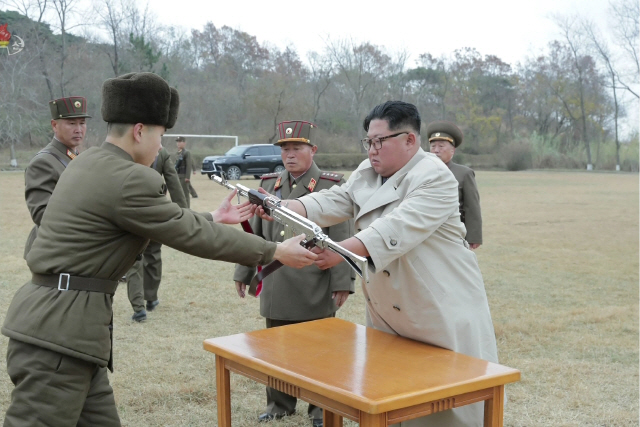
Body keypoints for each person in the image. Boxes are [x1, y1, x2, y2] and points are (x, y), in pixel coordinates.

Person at [1, 72, 317, 427]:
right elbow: (188, 235)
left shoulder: (88, 163)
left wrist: (213, 214)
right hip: (58, 339)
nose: (159, 147)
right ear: (139, 131)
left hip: (66, 335)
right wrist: (273, 250)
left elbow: (157, 221)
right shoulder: (130, 177)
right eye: (160, 136)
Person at [259, 101, 499, 427]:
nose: (372, 150)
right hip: (391, 310)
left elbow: (394, 229)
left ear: (410, 140)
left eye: (379, 141)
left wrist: (341, 251)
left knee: (442, 404)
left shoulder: (434, 177)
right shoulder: (369, 171)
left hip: (438, 308)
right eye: (368, 142)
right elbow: (337, 199)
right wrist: (288, 206)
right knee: (390, 399)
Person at [233, 120, 355, 427]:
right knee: (276, 347)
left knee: (319, 349)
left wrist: (343, 281)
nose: (289, 154)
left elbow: (341, 235)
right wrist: (243, 271)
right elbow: (255, 235)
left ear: (313, 150)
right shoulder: (269, 184)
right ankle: (278, 405)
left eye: (297, 148)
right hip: (276, 280)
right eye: (285, 148)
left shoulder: (331, 186)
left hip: (314, 280)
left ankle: (319, 409)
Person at [23, 96, 91, 257]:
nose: (78, 129)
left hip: (76, 249)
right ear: (54, 125)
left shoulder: (79, 157)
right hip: (54, 252)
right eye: (71, 123)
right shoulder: (43, 162)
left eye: (82, 123)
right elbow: (42, 215)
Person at [127, 146, 188, 322]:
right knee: (153, 255)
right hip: (155, 212)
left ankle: (139, 308)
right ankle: (151, 298)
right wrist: (184, 214)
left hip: (130, 211)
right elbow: (174, 184)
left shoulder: (126, 148)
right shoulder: (161, 152)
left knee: (134, 260)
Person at [426, 120, 482, 249]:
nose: (436, 151)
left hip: (454, 234)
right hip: (427, 233)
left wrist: (474, 237)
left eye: (441, 146)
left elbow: (472, 207)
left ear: (452, 150)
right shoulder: (421, 172)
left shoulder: (464, 173)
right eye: (433, 146)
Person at [175, 136, 193, 207]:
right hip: (178, 175)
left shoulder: (186, 153)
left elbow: (189, 165)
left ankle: (187, 209)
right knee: (179, 194)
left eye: (180, 142)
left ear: (184, 143)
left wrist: (187, 177)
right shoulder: (178, 153)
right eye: (177, 142)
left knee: (185, 194)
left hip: (183, 175)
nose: (178, 143)